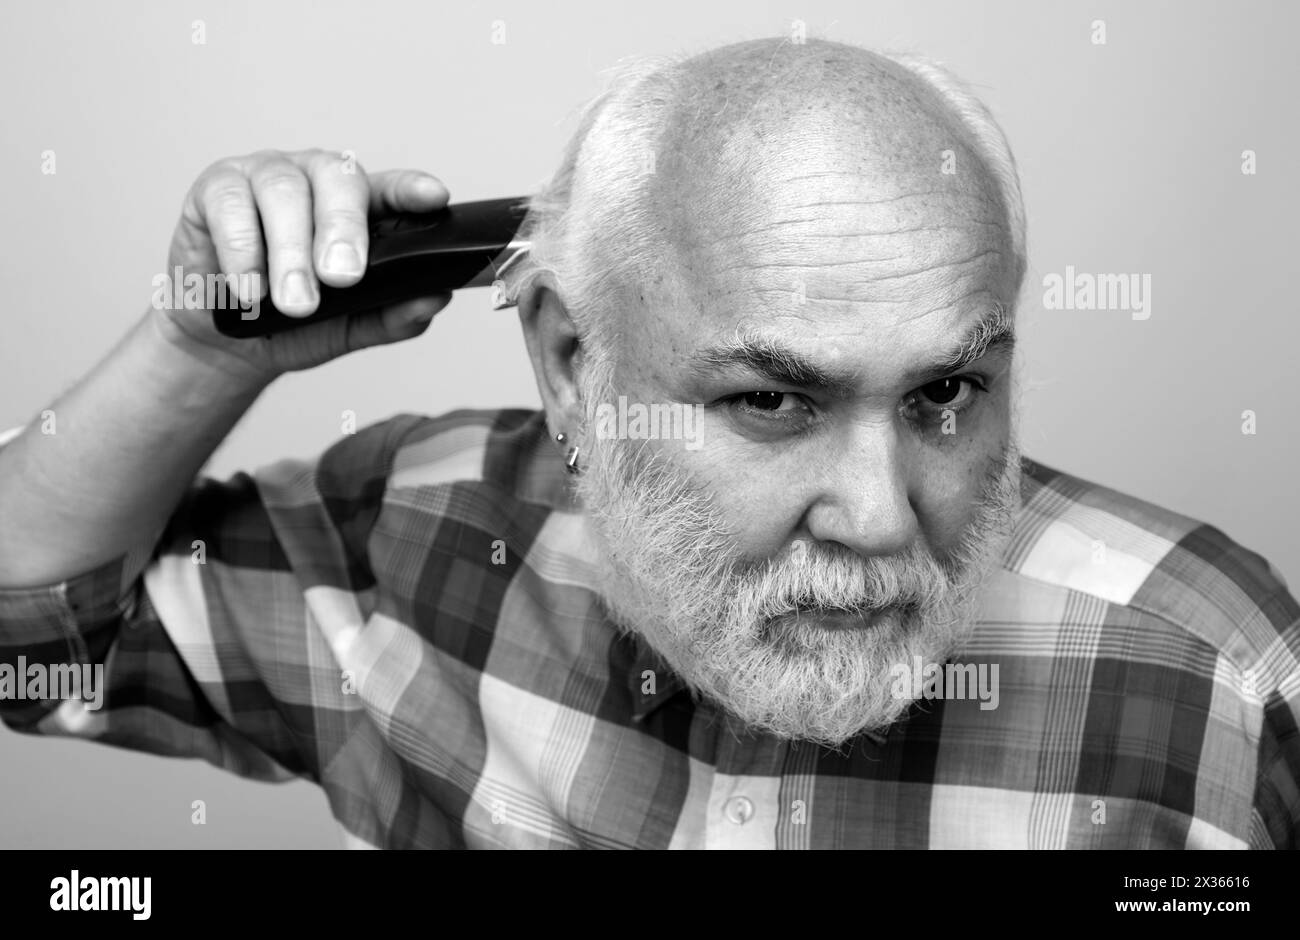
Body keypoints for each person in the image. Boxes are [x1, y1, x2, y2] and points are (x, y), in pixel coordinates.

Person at [0, 37, 1295, 849]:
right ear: (573, 363)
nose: (882, 517)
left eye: (946, 390)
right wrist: (198, 347)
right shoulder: (416, 538)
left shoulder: (1215, 684)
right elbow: (29, 651)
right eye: (771, 402)